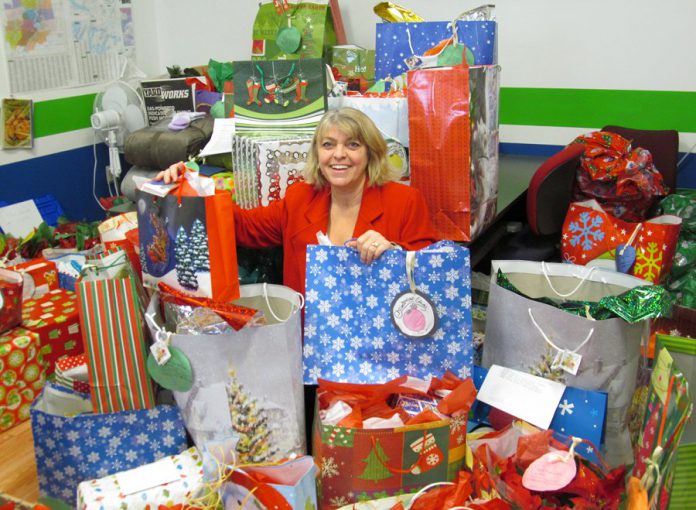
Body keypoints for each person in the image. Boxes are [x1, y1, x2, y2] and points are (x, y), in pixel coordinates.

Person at [158, 107, 438, 295]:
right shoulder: (300, 198)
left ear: (370, 153)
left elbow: (433, 272)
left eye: (352, 144)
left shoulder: (405, 201)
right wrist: (192, 185)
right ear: (318, 154)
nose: (338, 154)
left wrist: (394, 250)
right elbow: (242, 226)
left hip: (378, 349)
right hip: (310, 346)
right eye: (328, 145)